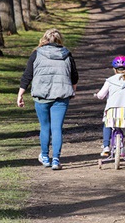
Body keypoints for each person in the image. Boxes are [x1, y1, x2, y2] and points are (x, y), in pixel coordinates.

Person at [17, 28, 78, 170]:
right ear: (59, 40)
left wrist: (20, 94)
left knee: (45, 127)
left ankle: (45, 156)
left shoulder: (36, 54)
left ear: (44, 39)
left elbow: (27, 75)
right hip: (61, 96)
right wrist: (73, 90)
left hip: (41, 95)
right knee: (57, 129)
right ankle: (56, 159)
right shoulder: (67, 55)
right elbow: (74, 75)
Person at [95, 55, 125, 157]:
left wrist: (97, 95)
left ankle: (106, 146)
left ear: (114, 69)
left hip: (112, 109)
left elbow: (101, 95)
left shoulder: (110, 81)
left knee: (107, 124)